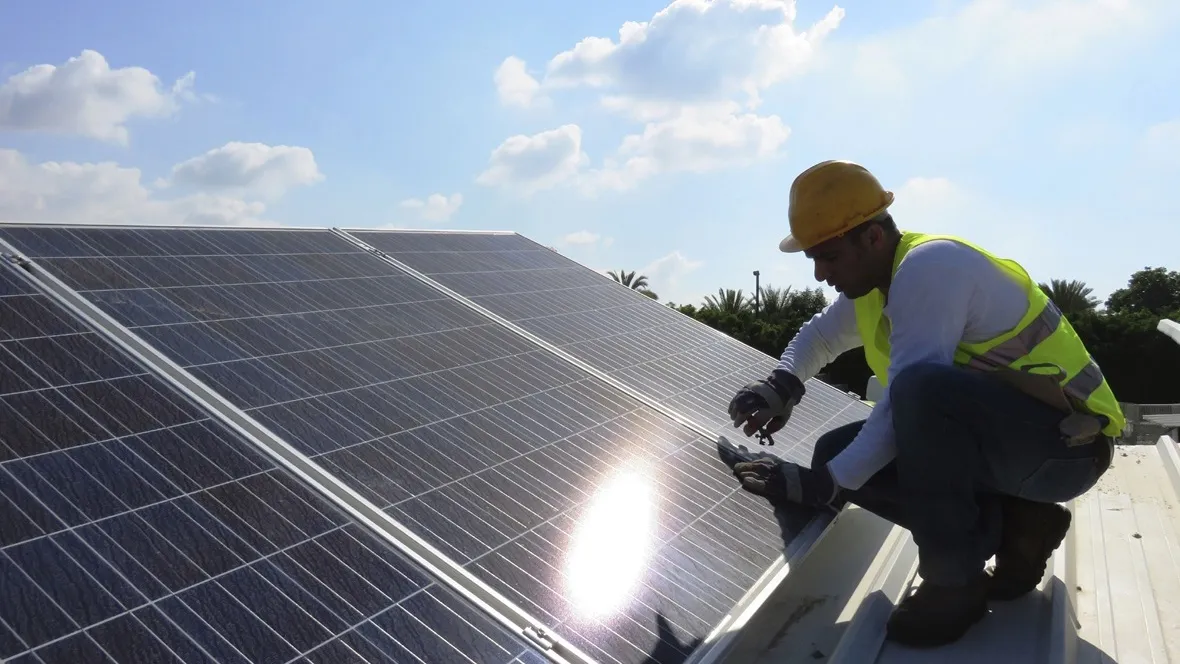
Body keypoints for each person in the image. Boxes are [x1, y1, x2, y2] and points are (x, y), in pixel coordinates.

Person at [725, 160, 1124, 648]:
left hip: (1068, 450)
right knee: (836, 452)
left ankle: (954, 583)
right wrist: (780, 384)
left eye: (828, 256)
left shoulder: (931, 267)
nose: (820, 273)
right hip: (1018, 448)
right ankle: (1019, 527)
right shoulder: (878, 284)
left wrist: (826, 485)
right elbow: (822, 336)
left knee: (916, 395)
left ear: (872, 237)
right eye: (814, 258)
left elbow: (907, 398)